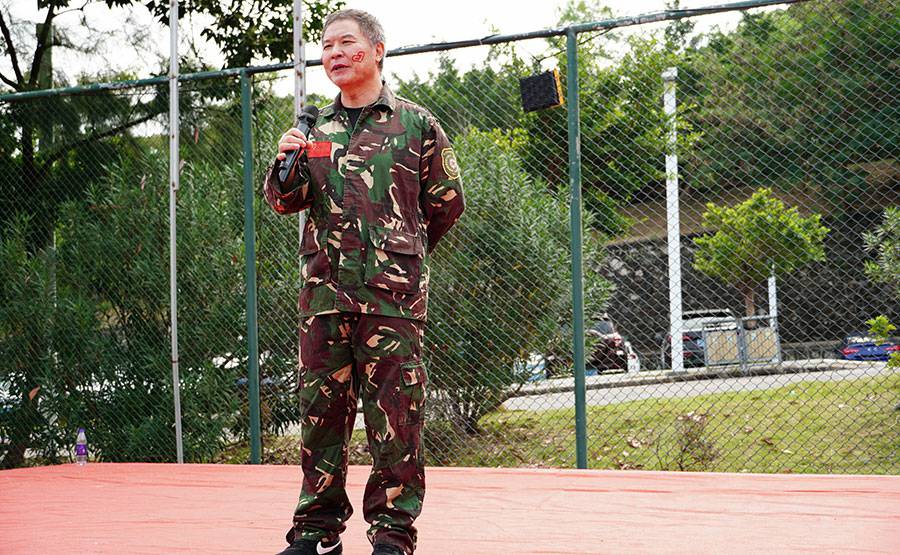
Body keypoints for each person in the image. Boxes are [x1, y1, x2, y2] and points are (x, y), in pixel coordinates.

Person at [264, 9, 465, 555]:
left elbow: (446, 203)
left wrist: (402, 256)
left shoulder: (416, 125)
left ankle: (393, 535)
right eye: (326, 45)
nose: (334, 53)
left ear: (376, 50)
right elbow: (283, 202)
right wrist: (286, 161)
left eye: (345, 42)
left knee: (395, 419)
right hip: (324, 298)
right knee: (320, 418)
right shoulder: (313, 130)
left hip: (391, 302)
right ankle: (315, 534)